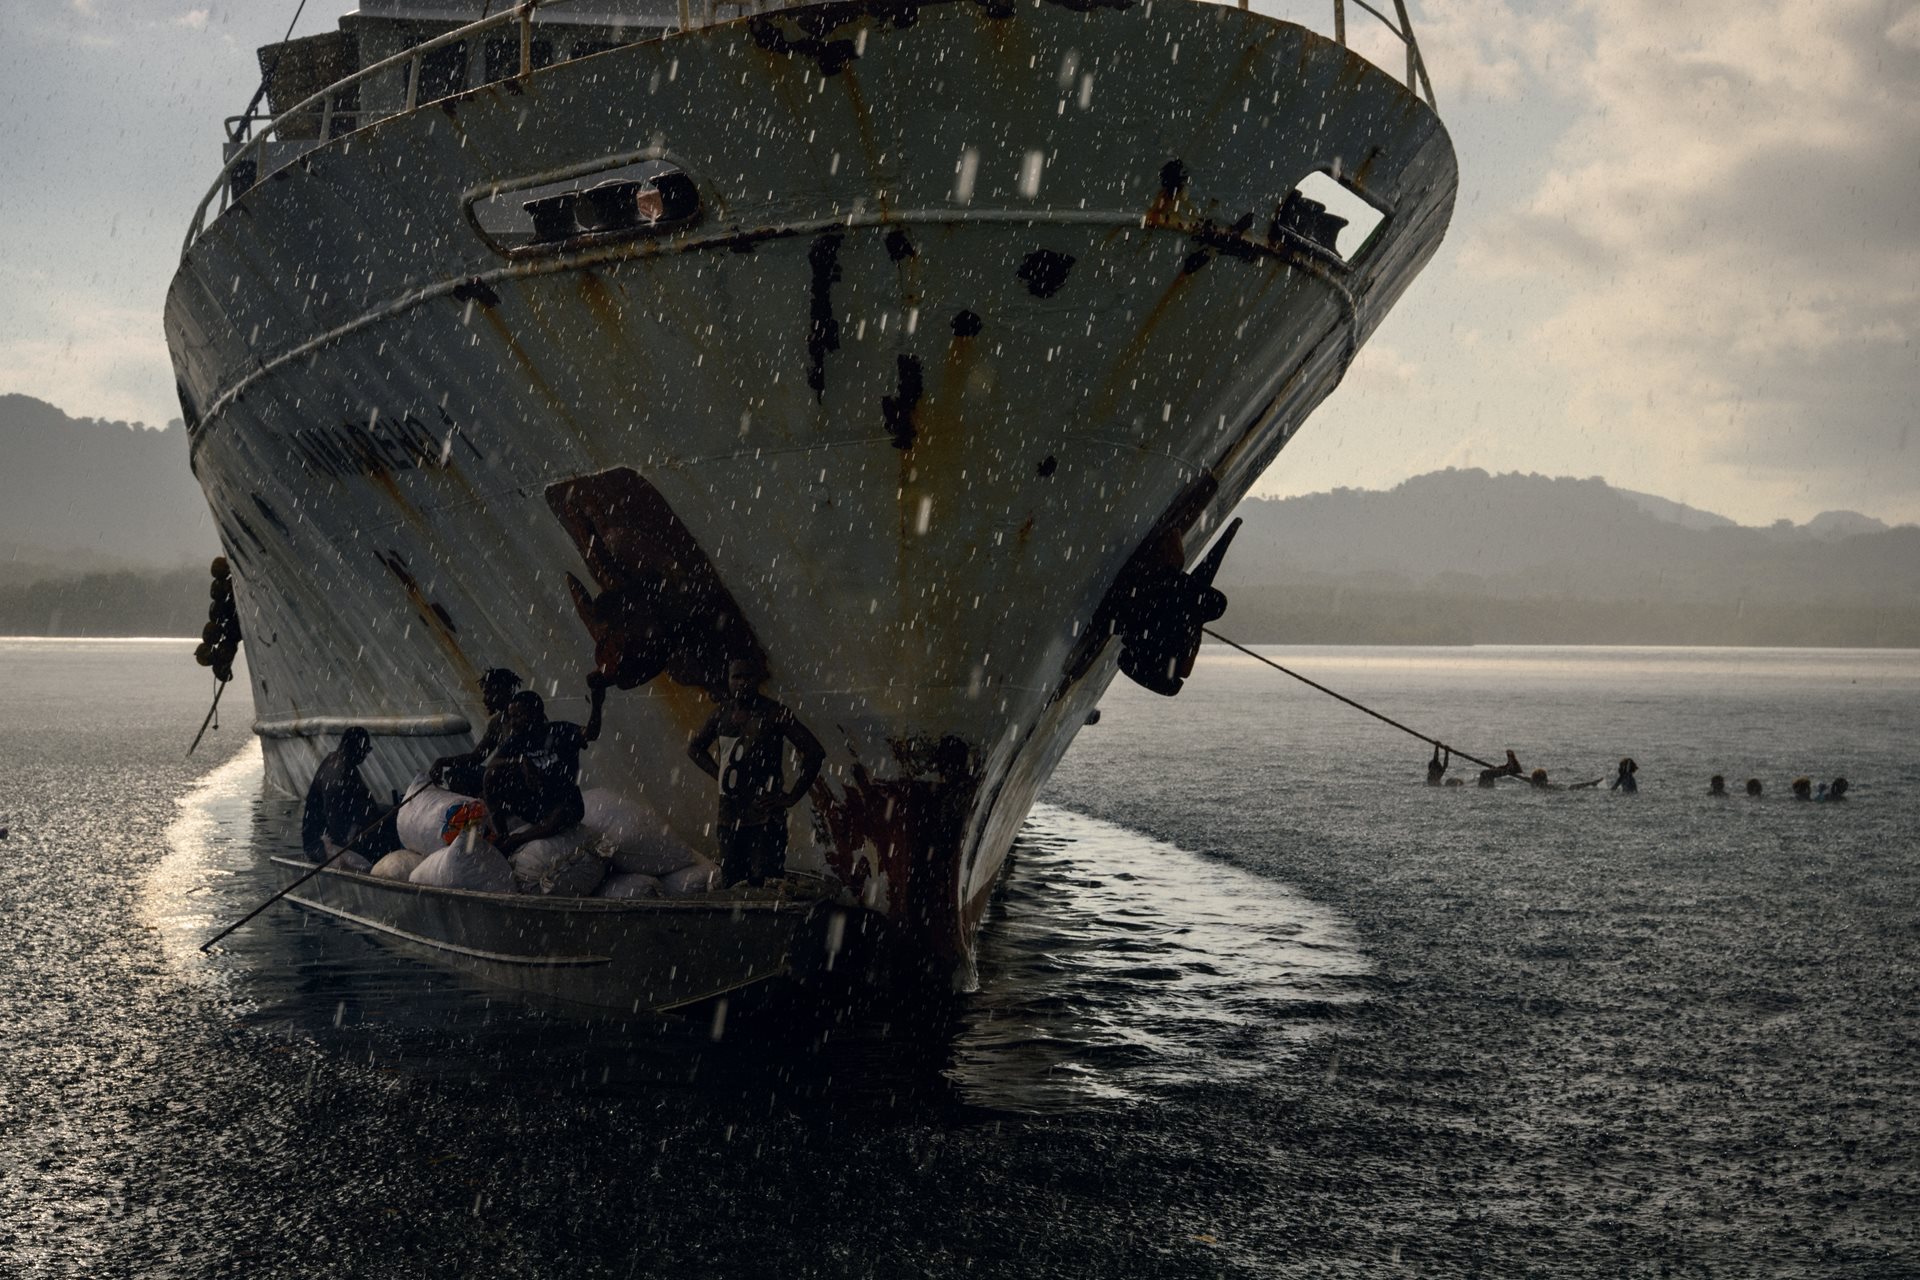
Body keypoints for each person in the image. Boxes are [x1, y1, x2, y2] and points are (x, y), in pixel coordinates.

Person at [688, 658, 826, 888]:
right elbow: (694, 748)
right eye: (736, 677)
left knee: (767, 882)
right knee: (733, 882)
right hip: (729, 817)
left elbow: (814, 752)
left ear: (758, 680)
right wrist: (719, 774)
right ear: (728, 680)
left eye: (747, 677)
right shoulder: (721, 713)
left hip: (765, 817)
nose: (742, 683)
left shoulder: (774, 713)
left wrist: (791, 797)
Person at [482, 682, 606, 855]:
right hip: (535, 802)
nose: (513, 722)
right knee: (491, 776)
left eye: (518, 716)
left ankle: (517, 840)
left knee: (562, 813)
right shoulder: (518, 740)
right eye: (511, 717)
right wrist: (520, 761)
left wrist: (597, 704)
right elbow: (492, 766)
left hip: (562, 801)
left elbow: (591, 733)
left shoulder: (560, 730)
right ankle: (502, 834)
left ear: (535, 713)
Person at [301, 727, 396, 862]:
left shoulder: (341, 763)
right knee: (383, 845)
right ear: (355, 748)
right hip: (325, 846)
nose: (365, 755)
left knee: (389, 815)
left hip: (344, 834)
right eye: (365, 750)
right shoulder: (338, 773)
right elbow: (336, 823)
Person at [429, 667, 523, 795]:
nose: (485, 699)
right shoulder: (498, 722)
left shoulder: (524, 717)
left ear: (502, 691)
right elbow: (476, 757)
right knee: (457, 775)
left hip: (519, 779)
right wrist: (442, 762)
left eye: (488, 693)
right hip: (503, 775)